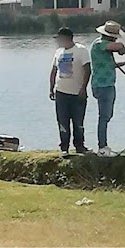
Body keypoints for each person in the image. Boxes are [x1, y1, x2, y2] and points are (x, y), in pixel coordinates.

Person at [90, 20, 125, 157]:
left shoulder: (106, 48)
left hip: (107, 85)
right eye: (114, 36)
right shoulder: (100, 44)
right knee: (104, 117)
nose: (116, 38)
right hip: (103, 86)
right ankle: (102, 147)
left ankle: (103, 146)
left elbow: (112, 65)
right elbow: (118, 46)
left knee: (107, 116)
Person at [49, 27, 91, 155]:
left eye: (60, 39)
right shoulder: (58, 52)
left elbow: (88, 70)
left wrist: (83, 88)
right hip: (61, 92)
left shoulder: (81, 51)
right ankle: (64, 147)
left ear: (67, 38)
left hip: (77, 93)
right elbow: (53, 71)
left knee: (78, 122)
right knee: (62, 121)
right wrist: (51, 89)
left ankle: (79, 146)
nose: (58, 42)